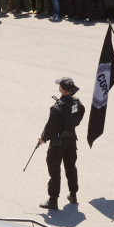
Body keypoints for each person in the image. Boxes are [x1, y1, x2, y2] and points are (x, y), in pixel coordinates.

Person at [38, 77, 85, 209]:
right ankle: (73, 194)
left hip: (58, 142)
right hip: (71, 139)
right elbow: (81, 113)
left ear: (62, 89)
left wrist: (43, 139)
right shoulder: (77, 102)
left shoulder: (57, 108)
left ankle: (53, 200)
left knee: (54, 170)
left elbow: (51, 128)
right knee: (71, 167)